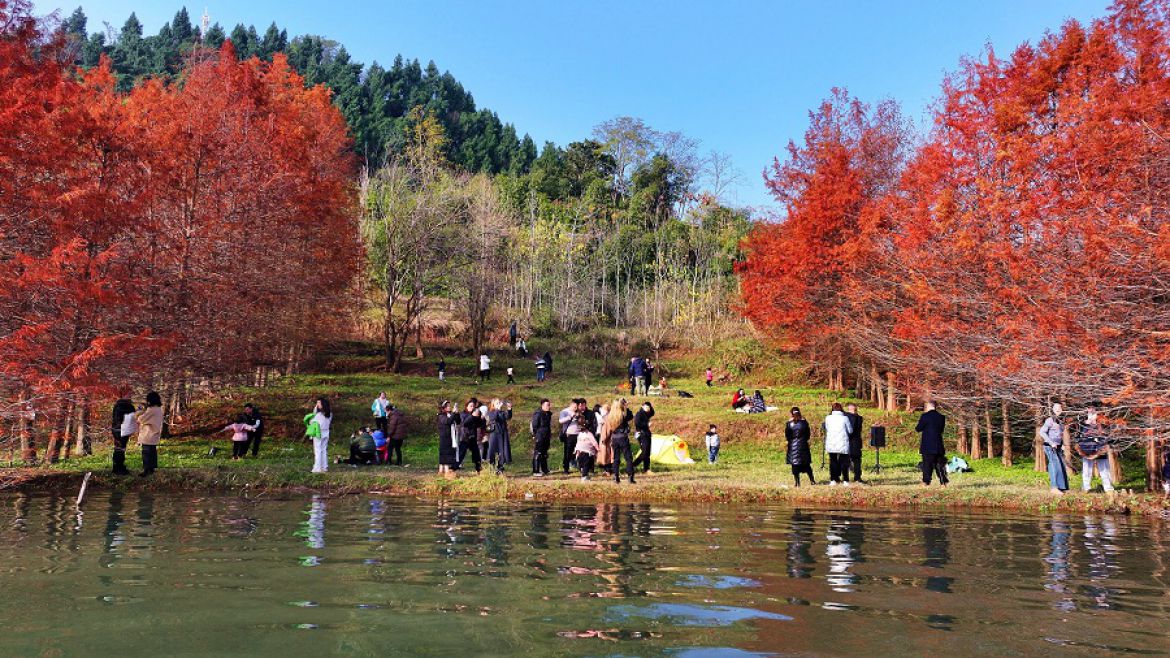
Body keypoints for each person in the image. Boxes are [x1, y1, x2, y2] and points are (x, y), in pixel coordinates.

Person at [1076, 408, 1114, 494]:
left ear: (1096, 414)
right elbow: (1077, 438)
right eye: (1089, 413)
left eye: (1093, 413)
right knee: (1086, 470)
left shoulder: (1102, 425)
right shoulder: (1082, 425)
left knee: (1104, 470)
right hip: (1086, 451)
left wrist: (1101, 447)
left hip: (1100, 450)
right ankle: (1086, 488)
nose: (1091, 416)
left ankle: (1108, 488)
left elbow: (1108, 438)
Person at [915, 401, 948, 487]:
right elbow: (941, 430)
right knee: (939, 465)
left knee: (927, 464)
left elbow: (918, 428)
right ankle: (943, 483)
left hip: (927, 445)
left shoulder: (925, 416)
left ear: (928, 407)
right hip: (938, 444)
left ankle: (926, 482)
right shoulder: (941, 417)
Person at [1040, 403, 1069, 494]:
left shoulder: (1061, 422)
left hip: (1058, 447)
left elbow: (1060, 435)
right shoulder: (1049, 420)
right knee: (1054, 464)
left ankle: (1061, 488)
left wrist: (1063, 444)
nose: (1058, 409)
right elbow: (1042, 432)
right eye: (1056, 408)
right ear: (1053, 409)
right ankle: (1054, 488)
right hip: (1049, 447)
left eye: (1060, 408)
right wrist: (1051, 443)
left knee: (1061, 465)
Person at [823, 403, 853, 486]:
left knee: (833, 461)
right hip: (843, 442)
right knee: (844, 462)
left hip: (831, 442)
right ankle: (845, 480)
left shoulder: (828, 418)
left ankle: (833, 479)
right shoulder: (845, 418)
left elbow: (827, 428)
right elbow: (850, 430)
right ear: (841, 409)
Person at [606, 399, 636, 484]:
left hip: (614, 438)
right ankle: (630, 477)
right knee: (628, 457)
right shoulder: (623, 414)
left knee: (616, 458)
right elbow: (630, 416)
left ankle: (616, 477)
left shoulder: (610, 416)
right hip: (623, 438)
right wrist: (626, 407)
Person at [136, 391, 164, 476]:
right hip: (154, 433)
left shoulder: (151, 410)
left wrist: (140, 411)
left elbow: (141, 419)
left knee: (146, 453)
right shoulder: (158, 409)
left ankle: (146, 470)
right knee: (152, 452)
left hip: (148, 434)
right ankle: (151, 469)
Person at [786, 407, 814, 486]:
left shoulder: (789, 424)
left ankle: (797, 483)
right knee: (807, 465)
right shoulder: (804, 422)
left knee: (794, 465)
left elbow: (787, 436)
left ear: (792, 414)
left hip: (793, 446)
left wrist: (792, 441)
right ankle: (812, 480)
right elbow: (808, 435)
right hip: (803, 445)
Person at [486, 398, 513, 475]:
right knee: (492, 450)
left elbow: (508, 417)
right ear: (493, 404)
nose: (499, 404)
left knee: (502, 451)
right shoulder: (491, 412)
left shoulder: (501, 412)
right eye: (497, 403)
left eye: (499, 403)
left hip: (502, 434)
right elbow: (493, 418)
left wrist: (509, 408)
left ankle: (500, 468)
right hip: (494, 434)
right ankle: (492, 467)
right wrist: (497, 409)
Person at [110, 397, 137, 475]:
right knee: (121, 449)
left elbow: (114, 418)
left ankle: (116, 467)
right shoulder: (130, 407)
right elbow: (133, 417)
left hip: (116, 430)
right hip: (124, 430)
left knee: (118, 448)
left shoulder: (116, 406)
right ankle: (119, 468)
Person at [457, 400, 484, 473]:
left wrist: (480, 418)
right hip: (465, 437)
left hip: (472, 437)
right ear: (467, 407)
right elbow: (464, 423)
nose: (472, 407)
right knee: (461, 454)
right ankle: (453, 469)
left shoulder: (475, 414)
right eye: (470, 406)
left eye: (473, 406)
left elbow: (479, 425)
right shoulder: (463, 414)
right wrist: (472, 416)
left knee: (476, 455)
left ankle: (479, 470)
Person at [309, 398, 333, 474]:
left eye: (318, 403)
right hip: (326, 433)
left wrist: (314, 411)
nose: (317, 405)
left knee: (318, 450)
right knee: (323, 450)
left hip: (318, 433)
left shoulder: (318, 415)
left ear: (323, 405)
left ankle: (317, 468)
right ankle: (324, 467)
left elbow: (311, 422)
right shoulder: (330, 414)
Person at [437, 401, 459, 478]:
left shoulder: (450, 414)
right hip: (444, 437)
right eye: (448, 406)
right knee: (444, 453)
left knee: (446, 453)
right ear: (444, 408)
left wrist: (456, 413)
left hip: (451, 437)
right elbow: (448, 421)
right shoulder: (441, 415)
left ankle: (441, 470)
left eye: (450, 406)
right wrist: (453, 413)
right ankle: (445, 471)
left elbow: (458, 421)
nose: (449, 407)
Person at [530, 399, 553, 476]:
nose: (549, 407)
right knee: (538, 452)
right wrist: (535, 435)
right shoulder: (538, 414)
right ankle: (535, 471)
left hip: (546, 435)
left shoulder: (548, 414)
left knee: (544, 453)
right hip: (539, 435)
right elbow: (534, 425)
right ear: (542, 405)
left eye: (549, 405)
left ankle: (545, 469)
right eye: (547, 405)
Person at [632, 401, 655, 474]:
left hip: (647, 434)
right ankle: (633, 465)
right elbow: (637, 423)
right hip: (641, 435)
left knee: (647, 452)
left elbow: (653, 413)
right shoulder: (639, 413)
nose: (648, 409)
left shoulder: (647, 413)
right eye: (646, 407)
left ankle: (646, 469)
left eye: (649, 407)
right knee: (644, 452)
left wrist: (650, 406)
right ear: (642, 406)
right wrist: (647, 424)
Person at [844, 403, 865, 483]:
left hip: (848, 441)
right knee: (857, 460)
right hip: (856, 442)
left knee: (847, 460)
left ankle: (847, 478)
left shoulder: (846, 417)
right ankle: (857, 477)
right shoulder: (859, 418)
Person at [596, 402, 613, 475]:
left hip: (606, 439)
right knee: (608, 454)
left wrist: (604, 439)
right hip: (608, 438)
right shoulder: (609, 417)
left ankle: (607, 471)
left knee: (606, 455)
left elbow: (607, 430)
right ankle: (608, 470)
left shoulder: (607, 418)